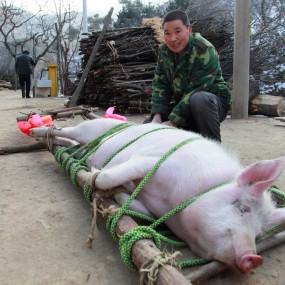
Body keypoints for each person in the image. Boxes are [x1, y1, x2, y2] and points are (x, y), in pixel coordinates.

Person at [145, 10, 231, 142]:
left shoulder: (204, 49)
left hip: (211, 103)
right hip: (183, 104)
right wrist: (157, 116)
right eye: (167, 33)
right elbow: (160, 85)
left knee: (199, 99)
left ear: (189, 29)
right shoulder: (164, 52)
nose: (172, 38)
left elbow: (197, 89)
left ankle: (214, 150)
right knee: (149, 126)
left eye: (177, 31)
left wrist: (173, 121)